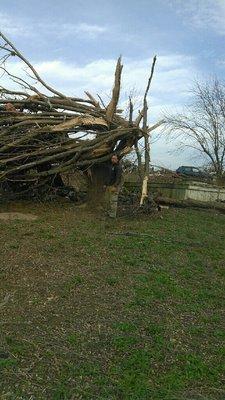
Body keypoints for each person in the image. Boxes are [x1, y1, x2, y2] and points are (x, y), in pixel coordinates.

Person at [104, 154, 123, 218]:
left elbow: (118, 178)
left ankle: (112, 215)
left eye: (114, 159)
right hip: (108, 186)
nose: (113, 160)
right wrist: (105, 184)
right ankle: (108, 212)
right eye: (112, 158)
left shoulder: (118, 167)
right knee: (107, 200)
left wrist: (115, 186)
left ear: (117, 159)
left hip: (114, 186)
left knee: (113, 201)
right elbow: (108, 177)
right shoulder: (110, 166)